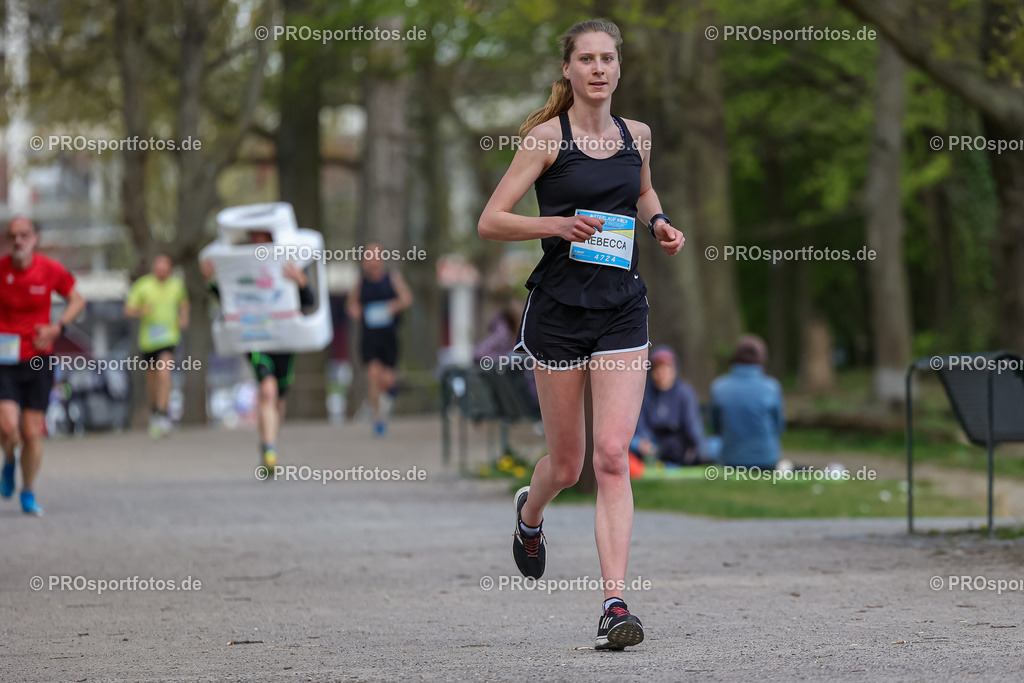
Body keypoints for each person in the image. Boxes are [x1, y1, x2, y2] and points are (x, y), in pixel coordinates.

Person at [478, 19, 683, 650]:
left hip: (623, 308)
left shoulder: (637, 136)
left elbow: (643, 191)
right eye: (586, 59)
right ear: (568, 70)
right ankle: (530, 513)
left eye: (608, 59)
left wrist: (660, 224)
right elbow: (491, 221)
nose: (598, 69)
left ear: (620, 69)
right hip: (560, 312)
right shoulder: (545, 140)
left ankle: (615, 604)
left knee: (612, 457)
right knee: (567, 466)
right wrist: (557, 226)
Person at [201, 230, 315, 474]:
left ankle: (267, 443)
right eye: (255, 238)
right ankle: (270, 449)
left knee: (279, 399)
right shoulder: (240, 266)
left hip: (284, 339)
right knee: (267, 390)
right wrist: (212, 281)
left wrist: (301, 282)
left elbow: (308, 300)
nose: (259, 243)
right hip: (255, 338)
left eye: (264, 238)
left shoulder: (288, 263)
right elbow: (229, 300)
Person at [0, 217, 86, 515]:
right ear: (7, 241)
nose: (19, 241)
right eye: (13, 236)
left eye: (25, 235)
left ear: (35, 238)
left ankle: (28, 490)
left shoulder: (49, 269)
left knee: (31, 433)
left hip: (38, 358)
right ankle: (9, 461)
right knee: (8, 426)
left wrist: (57, 328)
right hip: (5, 360)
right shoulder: (1, 270)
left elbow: (77, 299)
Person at [345, 243, 412, 437]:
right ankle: (378, 416)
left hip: (389, 336)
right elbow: (352, 305)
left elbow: (407, 298)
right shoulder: (361, 283)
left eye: (375, 257)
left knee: (387, 379)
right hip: (369, 338)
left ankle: (387, 400)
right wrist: (356, 311)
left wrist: (394, 305)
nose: (372, 262)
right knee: (372, 375)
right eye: (368, 257)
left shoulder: (393, 278)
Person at [124, 254, 189, 438]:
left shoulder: (177, 285)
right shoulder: (142, 285)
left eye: (166, 269)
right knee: (152, 381)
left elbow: (184, 303)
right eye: (159, 269)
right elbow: (128, 310)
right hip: (148, 340)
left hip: (169, 338)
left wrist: (183, 318)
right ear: (154, 269)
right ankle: (155, 410)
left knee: (164, 373)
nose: (162, 272)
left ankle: (163, 413)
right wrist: (141, 310)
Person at [710, 335, 786, 471]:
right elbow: (779, 427)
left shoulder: (719, 387)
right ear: (762, 359)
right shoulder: (772, 387)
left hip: (730, 459)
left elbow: (716, 428)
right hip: (766, 459)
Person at [631, 345, 707, 467]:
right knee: (632, 443)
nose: (663, 374)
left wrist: (700, 451)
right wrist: (646, 442)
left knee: (713, 445)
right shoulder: (644, 393)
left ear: (675, 370)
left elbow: (693, 424)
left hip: (679, 444)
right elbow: (640, 425)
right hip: (652, 444)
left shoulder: (685, 392)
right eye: (659, 369)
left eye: (667, 369)